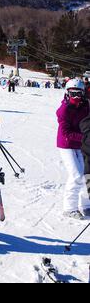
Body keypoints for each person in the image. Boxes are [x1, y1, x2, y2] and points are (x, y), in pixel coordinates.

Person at [56, 78, 90, 219]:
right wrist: (85, 137)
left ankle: (86, 205)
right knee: (76, 175)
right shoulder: (64, 109)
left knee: (85, 175)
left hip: (79, 144)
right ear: (67, 94)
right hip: (66, 145)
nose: (76, 97)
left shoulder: (85, 107)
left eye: (78, 94)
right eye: (72, 93)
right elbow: (66, 133)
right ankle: (69, 208)